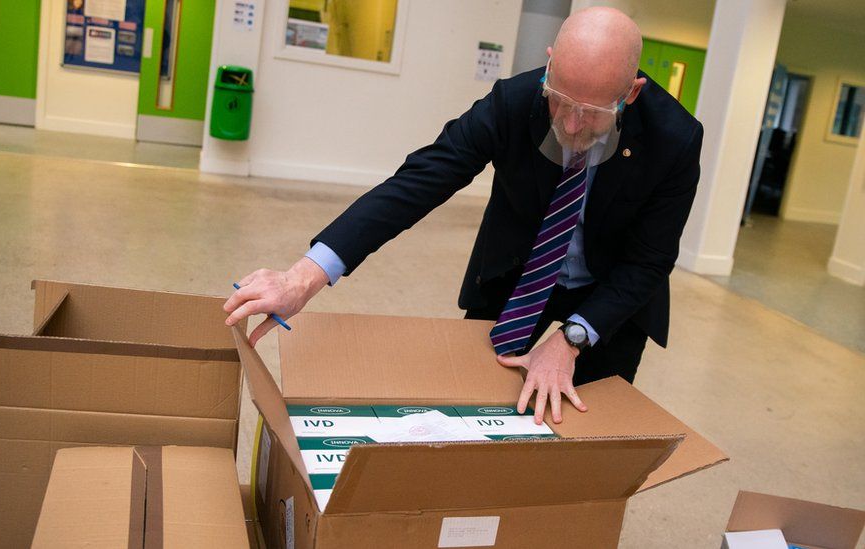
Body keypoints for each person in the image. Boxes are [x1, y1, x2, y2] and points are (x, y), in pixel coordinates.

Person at [224, 7, 702, 426]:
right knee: (473, 417)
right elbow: (419, 182)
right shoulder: (514, 101)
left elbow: (648, 262)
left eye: (593, 112)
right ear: (550, 62)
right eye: (560, 100)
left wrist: (571, 340)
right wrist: (303, 277)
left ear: (631, 93)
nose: (572, 126)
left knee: (585, 438)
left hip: (609, 297)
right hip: (518, 280)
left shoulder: (674, 140)